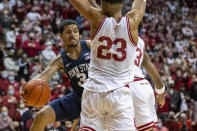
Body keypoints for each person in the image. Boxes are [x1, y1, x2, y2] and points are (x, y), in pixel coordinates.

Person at [69, 0, 146, 130]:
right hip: (120, 94)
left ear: (103, 4)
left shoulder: (96, 18)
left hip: (94, 91)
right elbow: (140, 2)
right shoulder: (133, 21)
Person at [21, 19, 91, 131]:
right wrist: (26, 88)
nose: (73, 34)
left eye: (75, 31)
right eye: (68, 32)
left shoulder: (89, 45)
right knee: (41, 116)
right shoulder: (60, 60)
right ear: (60, 36)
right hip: (79, 97)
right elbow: (43, 77)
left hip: (99, 95)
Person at [130, 37, 165, 131]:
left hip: (126, 85)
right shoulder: (140, 42)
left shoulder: (114, 32)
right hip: (143, 86)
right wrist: (161, 93)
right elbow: (151, 69)